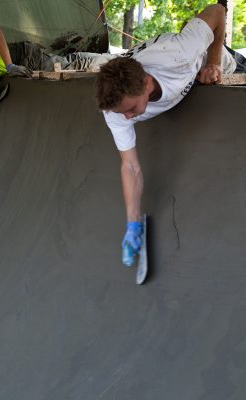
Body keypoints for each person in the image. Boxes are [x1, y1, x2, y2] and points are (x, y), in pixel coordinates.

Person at [94, 3, 244, 266]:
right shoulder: (116, 110)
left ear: (146, 83)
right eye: (123, 113)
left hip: (228, 63)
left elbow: (218, 10)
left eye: (130, 109)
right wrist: (132, 224)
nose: (128, 118)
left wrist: (212, 62)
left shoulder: (180, 55)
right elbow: (130, 166)